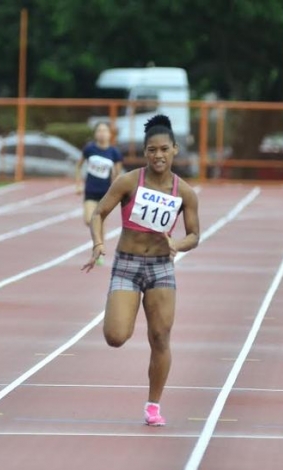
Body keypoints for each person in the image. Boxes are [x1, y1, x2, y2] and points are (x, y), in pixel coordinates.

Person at [82, 114, 200, 426]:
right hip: (127, 264)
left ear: (175, 150)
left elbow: (194, 235)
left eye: (164, 149)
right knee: (116, 336)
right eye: (151, 150)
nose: (158, 155)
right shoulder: (129, 182)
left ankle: (153, 405)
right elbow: (98, 213)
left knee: (160, 337)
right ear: (145, 152)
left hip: (161, 267)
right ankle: (121, 306)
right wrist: (97, 243)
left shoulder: (184, 192)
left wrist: (179, 245)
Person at [75, 122, 123, 264]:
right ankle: (98, 245)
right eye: (99, 130)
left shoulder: (114, 153)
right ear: (96, 134)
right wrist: (78, 185)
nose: (102, 133)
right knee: (89, 220)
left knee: (101, 222)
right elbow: (78, 166)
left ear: (110, 134)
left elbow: (117, 175)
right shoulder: (89, 149)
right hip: (90, 192)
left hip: (105, 193)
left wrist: (116, 193)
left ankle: (99, 252)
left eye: (105, 130)